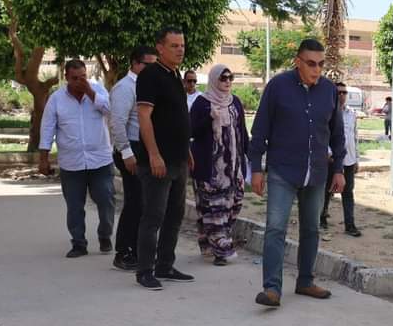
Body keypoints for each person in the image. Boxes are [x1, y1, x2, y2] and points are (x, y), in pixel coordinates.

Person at [249, 39, 346, 308]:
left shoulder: (329, 91)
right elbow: (260, 130)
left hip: (316, 173)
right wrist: (255, 168)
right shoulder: (278, 87)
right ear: (298, 62)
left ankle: (305, 281)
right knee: (275, 229)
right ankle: (272, 289)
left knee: (311, 229)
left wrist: (339, 169)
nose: (317, 70)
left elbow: (337, 134)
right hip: (282, 170)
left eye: (321, 64)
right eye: (311, 64)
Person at [134, 26, 195, 291]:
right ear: (160, 48)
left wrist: (186, 151)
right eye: (174, 45)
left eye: (182, 45)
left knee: (175, 214)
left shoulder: (175, 75)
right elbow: (144, 117)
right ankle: (145, 270)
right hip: (158, 161)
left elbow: (176, 116)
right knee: (154, 216)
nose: (180, 50)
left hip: (178, 159)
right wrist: (154, 154)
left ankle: (165, 265)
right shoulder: (150, 75)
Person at [38, 59, 115, 258]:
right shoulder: (56, 99)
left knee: (106, 200)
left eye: (83, 77)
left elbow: (110, 111)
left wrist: (90, 92)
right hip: (71, 163)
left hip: (100, 160)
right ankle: (79, 243)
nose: (80, 81)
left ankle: (105, 235)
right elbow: (47, 129)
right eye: (75, 78)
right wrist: (43, 158)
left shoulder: (98, 90)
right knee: (74, 206)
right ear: (66, 78)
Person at [190, 64, 249, 266]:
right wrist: (209, 118)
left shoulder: (235, 102)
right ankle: (221, 251)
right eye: (223, 78)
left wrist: (249, 157)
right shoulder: (202, 103)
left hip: (233, 167)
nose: (227, 82)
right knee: (214, 208)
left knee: (234, 204)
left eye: (230, 78)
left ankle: (209, 244)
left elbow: (242, 132)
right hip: (210, 168)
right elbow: (192, 131)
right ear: (214, 80)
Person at [108, 45, 157, 271]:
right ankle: (124, 251)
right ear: (135, 64)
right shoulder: (125, 88)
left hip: (146, 149)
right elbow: (117, 123)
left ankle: (139, 250)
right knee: (135, 202)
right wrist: (126, 152)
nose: (152, 69)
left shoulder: (149, 86)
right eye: (148, 64)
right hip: (131, 149)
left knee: (146, 203)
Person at [321, 80, 361, 237]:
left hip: (349, 160)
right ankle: (322, 217)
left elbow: (354, 137)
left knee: (348, 192)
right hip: (332, 160)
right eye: (339, 92)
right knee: (327, 190)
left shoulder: (351, 114)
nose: (342, 95)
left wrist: (356, 159)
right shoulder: (327, 112)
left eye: (344, 93)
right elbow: (323, 135)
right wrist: (328, 152)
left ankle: (350, 225)